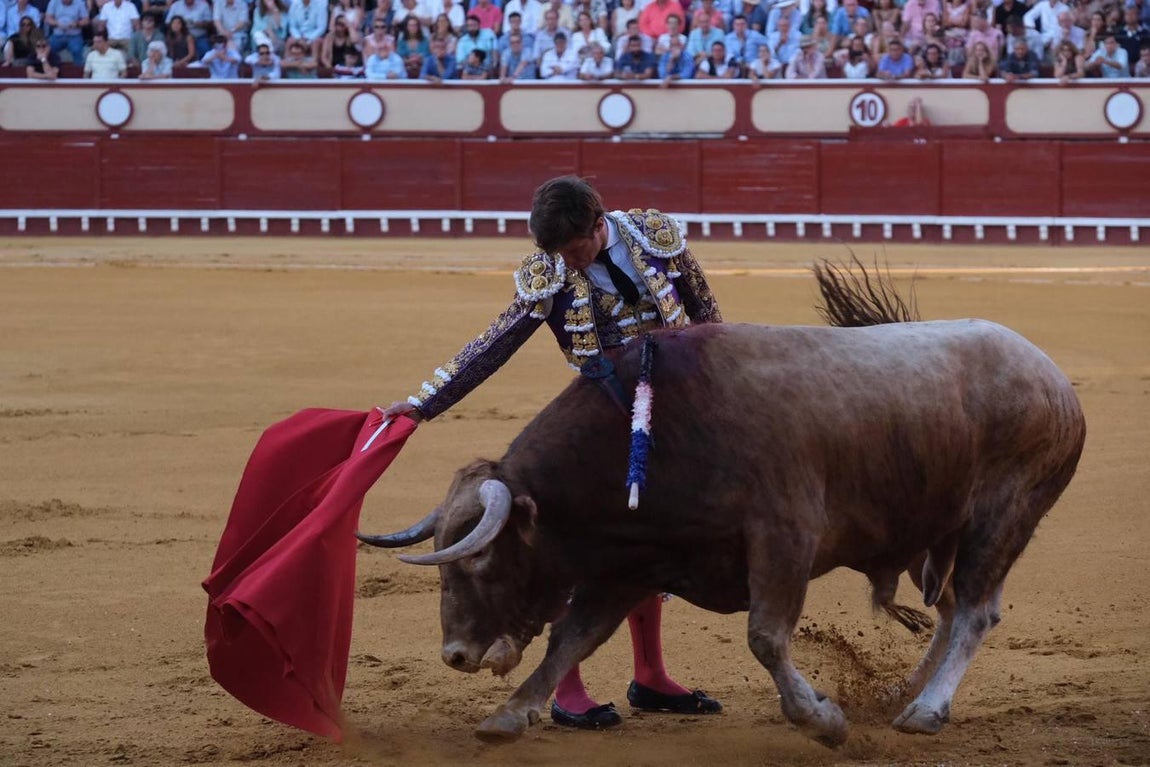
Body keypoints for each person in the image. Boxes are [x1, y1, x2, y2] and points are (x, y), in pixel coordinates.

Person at [381, 176, 724, 731]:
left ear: (598, 223)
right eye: (558, 253)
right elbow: (495, 342)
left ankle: (651, 676)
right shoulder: (549, 272)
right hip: (596, 425)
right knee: (566, 551)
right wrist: (424, 403)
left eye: (576, 248)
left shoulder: (655, 236)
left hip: (674, 418)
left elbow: (709, 320)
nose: (569, 260)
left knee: (652, 546)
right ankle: (567, 689)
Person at [45, 0, 88, 64]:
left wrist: (77, 24)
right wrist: (56, 23)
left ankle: (79, 70)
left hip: (74, 36)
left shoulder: (80, 3)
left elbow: (86, 20)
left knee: (77, 50)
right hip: (57, 35)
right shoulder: (53, 2)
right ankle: (50, 70)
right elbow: (48, 18)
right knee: (46, 48)